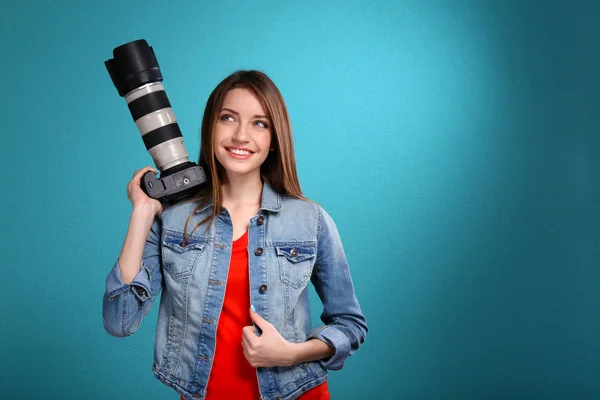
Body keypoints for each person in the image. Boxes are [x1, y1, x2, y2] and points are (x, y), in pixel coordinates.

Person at [102, 70, 368, 400]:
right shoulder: (173, 220)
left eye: (260, 123)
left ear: (274, 140)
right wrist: (142, 213)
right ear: (210, 128)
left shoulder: (309, 220)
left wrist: (289, 354)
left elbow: (350, 325)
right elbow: (120, 319)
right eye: (228, 118)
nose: (241, 135)